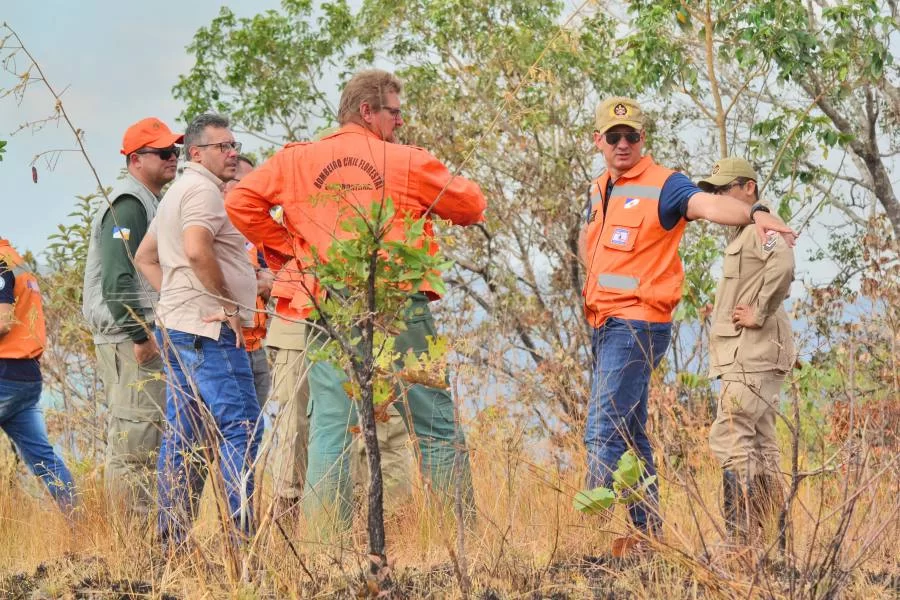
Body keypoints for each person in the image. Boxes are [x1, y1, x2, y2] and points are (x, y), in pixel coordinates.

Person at [225, 69, 486, 532]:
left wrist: (289, 246)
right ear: (367, 111)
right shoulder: (404, 160)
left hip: (326, 302)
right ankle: (461, 541)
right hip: (398, 302)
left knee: (331, 425)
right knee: (433, 422)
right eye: (394, 112)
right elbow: (471, 206)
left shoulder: (295, 161)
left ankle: (326, 551)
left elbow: (241, 202)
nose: (399, 122)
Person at [580, 97, 796, 540]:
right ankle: (645, 535)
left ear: (643, 139)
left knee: (602, 427)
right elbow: (592, 246)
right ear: (598, 140)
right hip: (604, 322)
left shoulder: (667, 184)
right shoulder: (599, 188)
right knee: (631, 431)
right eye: (614, 136)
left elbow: (708, 206)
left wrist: (756, 214)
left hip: (637, 325)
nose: (623, 144)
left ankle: (590, 537)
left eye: (632, 136)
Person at [134, 113, 261, 549]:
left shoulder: (176, 193)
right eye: (223, 146)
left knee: (184, 435)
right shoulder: (203, 191)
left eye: (234, 144)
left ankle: (171, 541)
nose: (233, 152)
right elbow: (195, 249)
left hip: (177, 326)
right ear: (197, 153)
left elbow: (146, 257)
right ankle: (244, 541)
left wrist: (180, 297)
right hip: (209, 332)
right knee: (242, 427)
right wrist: (224, 304)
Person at [82, 117, 181, 516]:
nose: (173, 157)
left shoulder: (148, 201)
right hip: (129, 339)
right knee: (134, 442)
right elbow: (117, 276)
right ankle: (133, 551)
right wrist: (141, 336)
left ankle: (142, 545)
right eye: (163, 152)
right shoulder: (129, 204)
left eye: (175, 150)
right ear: (136, 159)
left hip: (135, 334)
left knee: (144, 437)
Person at [697, 157, 795, 543]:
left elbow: (784, 262)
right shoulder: (745, 233)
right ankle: (773, 541)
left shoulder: (760, 227)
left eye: (724, 189)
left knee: (731, 435)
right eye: (714, 192)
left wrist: (759, 311)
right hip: (751, 355)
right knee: (760, 444)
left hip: (750, 354)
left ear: (748, 188)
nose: (719, 198)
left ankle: (739, 542)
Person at [1, 237, 76, 513]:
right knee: (45, 460)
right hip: (26, 376)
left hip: (5, 372)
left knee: (44, 459)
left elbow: (3, 319)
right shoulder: (15, 259)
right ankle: (83, 528)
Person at [224, 155, 274, 404]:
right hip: (227, 347)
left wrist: (268, 282)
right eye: (245, 183)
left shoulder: (256, 233)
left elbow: (275, 281)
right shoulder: (209, 227)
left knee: (254, 428)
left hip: (257, 347)